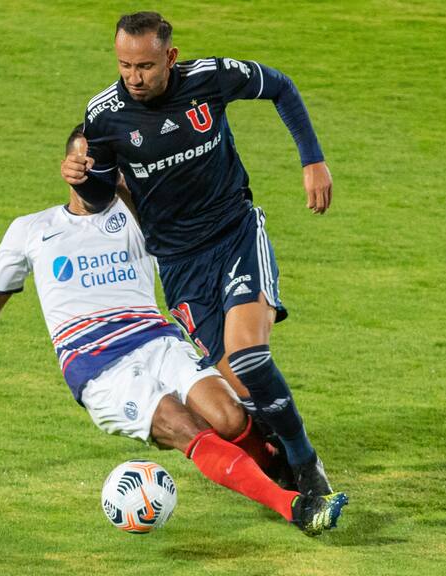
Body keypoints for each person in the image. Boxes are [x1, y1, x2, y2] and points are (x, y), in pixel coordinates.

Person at [0, 128, 347, 536]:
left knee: (230, 419)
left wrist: (126, 181)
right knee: (185, 427)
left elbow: (175, 212)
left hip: (158, 340)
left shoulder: (137, 214)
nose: (96, 175)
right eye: (86, 165)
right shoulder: (31, 230)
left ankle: (279, 467)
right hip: (98, 368)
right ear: (68, 168)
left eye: (104, 166)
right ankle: (294, 507)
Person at [61, 11, 335, 497]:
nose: (133, 78)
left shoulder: (209, 79)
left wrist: (312, 160)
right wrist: (83, 176)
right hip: (179, 264)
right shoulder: (103, 115)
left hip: (233, 234)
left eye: (144, 66)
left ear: (170, 57)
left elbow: (281, 86)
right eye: (124, 65)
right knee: (239, 390)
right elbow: (104, 196)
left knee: (249, 355)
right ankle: (276, 460)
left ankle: (305, 461)